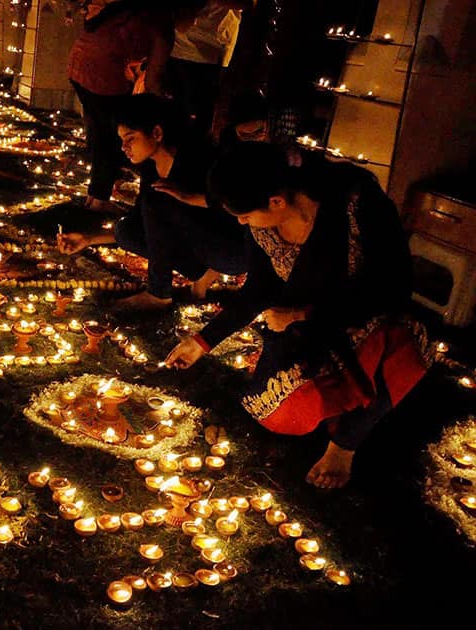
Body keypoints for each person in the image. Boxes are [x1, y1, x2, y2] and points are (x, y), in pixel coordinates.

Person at [165, 142, 430, 489]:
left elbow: (392, 286)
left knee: (399, 352)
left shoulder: (357, 203)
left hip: (372, 318)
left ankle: (343, 446)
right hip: (307, 329)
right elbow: (258, 289)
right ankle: (334, 403)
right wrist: (202, 341)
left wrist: (302, 314)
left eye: (244, 214)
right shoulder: (263, 226)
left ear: (277, 201)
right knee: (277, 409)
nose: (242, 222)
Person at [57, 94, 246, 309]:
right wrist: (88, 239)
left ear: (156, 133)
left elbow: (240, 209)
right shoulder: (151, 166)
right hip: (197, 246)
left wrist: (190, 198)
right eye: (122, 141)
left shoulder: (201, 158)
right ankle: (201, 274)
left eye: (130, 138)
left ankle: (159, 294)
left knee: (156, 203)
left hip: (230, 249)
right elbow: (143, 223)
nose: (124, 147)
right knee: (126, 231)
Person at [67, 1, 176, 214]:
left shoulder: (133, 9)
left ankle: (95, 196)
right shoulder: (162, 26)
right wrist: (163, 107)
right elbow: (154, 81)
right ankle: (99, 200)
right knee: (111, 137)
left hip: (79, 66)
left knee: (100, 132)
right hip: (101, 77)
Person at [166, 0, 252, 137]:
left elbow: (245, 3)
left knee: (200, 122)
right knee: (180, 123)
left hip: (209, 50)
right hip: (179, 47)